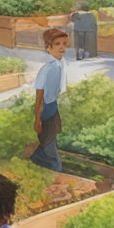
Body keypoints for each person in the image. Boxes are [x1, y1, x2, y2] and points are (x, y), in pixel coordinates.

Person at [30, 28, 68, 172]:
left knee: (48, 140)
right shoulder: (47, 69)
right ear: (48, 48)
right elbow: (39, 95)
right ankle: (56, 170)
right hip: (46, 108)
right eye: (57, 44)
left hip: (53, 107)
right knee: (49, 144)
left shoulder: (60, 64)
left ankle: (36, 161)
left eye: (64, 43)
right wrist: (38, 118)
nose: (62, 47)